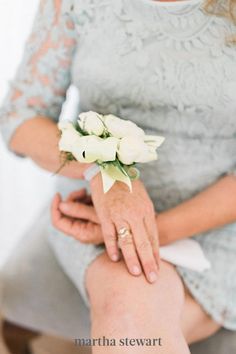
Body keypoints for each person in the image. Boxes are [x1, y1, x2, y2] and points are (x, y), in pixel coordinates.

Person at [1, 0, 236, 352]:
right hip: (93, 207)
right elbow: (21, 118)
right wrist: (104, 168)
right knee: (130, 310)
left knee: (132, 320)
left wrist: (146, 231)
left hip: (215, 220)